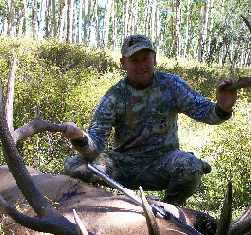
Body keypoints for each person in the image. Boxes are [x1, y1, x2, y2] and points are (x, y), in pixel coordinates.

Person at [62, 34, 237, 205]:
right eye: (134, 61)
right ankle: (112, 206)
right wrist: (80, 138)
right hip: (124, 165)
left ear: (154, 59)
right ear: (123, 63)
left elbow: (206, 112)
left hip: (163, 163)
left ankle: (169, 213)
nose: (141, 66)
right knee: (74, 166)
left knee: (189, 165)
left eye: (146, 58)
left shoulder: (172, 85)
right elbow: (96, 145)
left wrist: (223, 108)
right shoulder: (114, 96)